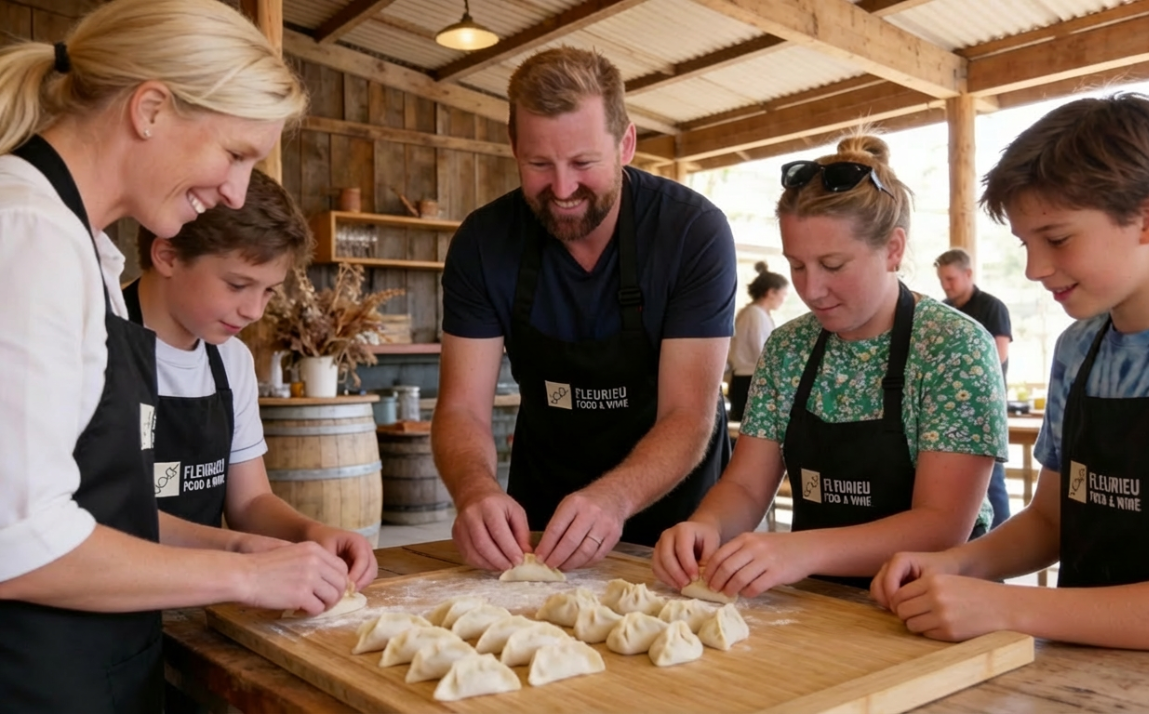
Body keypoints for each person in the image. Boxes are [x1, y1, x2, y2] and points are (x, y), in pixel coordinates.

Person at [0, 1, 351, 710]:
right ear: (151, 108)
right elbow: (17, 544)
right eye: (236, 154)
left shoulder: (84, 247)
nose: (236, 190)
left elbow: (98, 504)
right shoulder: (27, 236)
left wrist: (237, 547)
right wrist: (244, 579)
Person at [872, 94, 1149, 664]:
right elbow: (1049, 519)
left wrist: (1004, 607)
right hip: (1090, 663)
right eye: (1026, 244)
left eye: (1057, 239)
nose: (1035, 268)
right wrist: (959, 563)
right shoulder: (1081, 345)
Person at [652, 135, 1007, 597]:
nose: (812, 289)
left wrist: (799, 551)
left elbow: (942, 526)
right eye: (797, 266)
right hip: (820, 603)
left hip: (937, 605)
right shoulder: (788, 348)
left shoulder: (953, 347)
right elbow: (744, 485)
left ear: (894, 249)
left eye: (833, 264)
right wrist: (705, 525)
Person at [434, 47, 737, 574]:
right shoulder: (484, 243)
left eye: (583, 163)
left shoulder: (691, 233)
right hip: (540, 521)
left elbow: (689, 413)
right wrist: (475, 491)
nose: (563, 188)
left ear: (625, 144)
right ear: (513, 147)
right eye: (538, 164)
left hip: (678, 529)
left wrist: (614, 500)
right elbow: (462, 409)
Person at [125, 169, 377, 584]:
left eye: (268, 291)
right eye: (237, 284)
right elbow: (104, 516)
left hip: (200, 595)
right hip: (107, 604)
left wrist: (310, 533)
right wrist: (239, 551)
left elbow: (250, 500)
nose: (254, 311)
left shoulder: (232, 360)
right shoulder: (95, 343)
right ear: (167, 255)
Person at [935, 247, 1014, 527]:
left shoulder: (992, 307)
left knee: (991, 483)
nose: (945, 285)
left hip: (984, 409)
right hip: (945, 411)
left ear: (968, 274)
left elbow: (998, 355)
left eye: (951, 279)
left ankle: (1000, 556)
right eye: (942, 279)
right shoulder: (942, 310)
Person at [726, 261, 788, 423]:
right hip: (749, 380)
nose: (783, 299)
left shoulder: (756, 313)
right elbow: (762, 352)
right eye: (783, 294)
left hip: (749, 379)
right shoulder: (754, 314)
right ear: (771, 292)